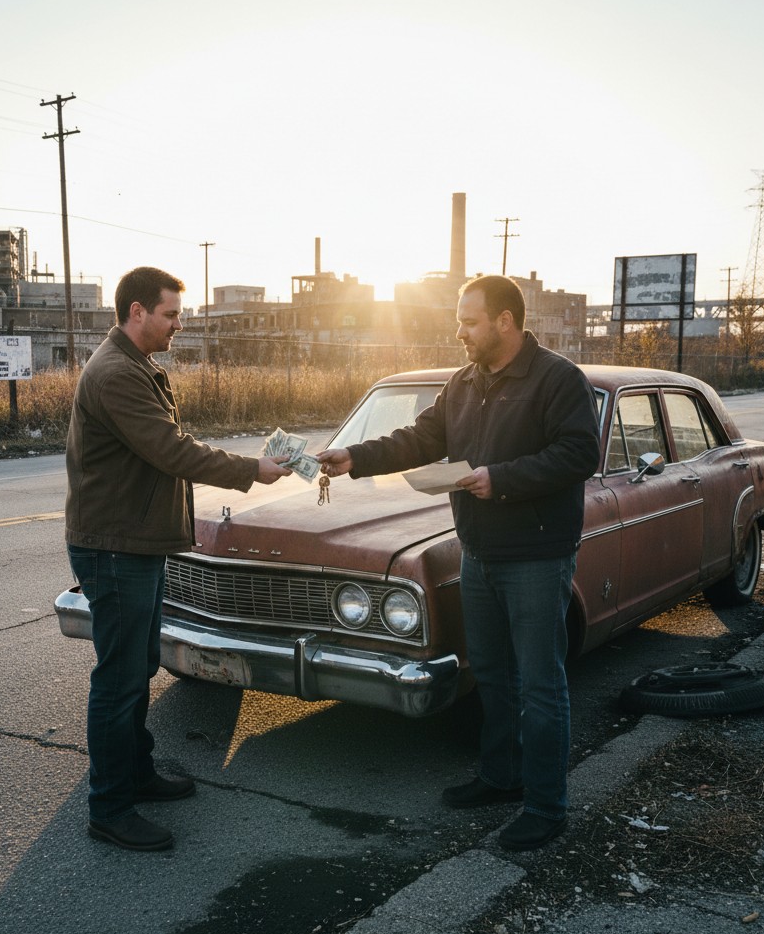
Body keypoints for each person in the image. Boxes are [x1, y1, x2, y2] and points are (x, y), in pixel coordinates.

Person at [317, 274, 600, 852]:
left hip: (536, 557)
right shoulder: (464, 383)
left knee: (542, 684)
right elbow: (421, 439)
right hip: (479, 551)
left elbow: (579, 454)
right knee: (493, 676)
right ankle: (500, 777)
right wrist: (355, 456)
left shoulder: (557, 378)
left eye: (469, 321)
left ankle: (546, 807)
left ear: (504, 322)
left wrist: (502, 479)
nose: (459, 331)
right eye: (459, 320)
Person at [65, 266, 293, 852]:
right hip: (115, 547)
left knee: (136, 667)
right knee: (119, 679)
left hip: (133, 542)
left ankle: (134, 772)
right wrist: (251, 470)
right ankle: (109, 806)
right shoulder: (117, 373)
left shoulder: (136, 366)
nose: (179, 324)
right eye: (170, 314)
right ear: (136, 311)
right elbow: (170, 450)